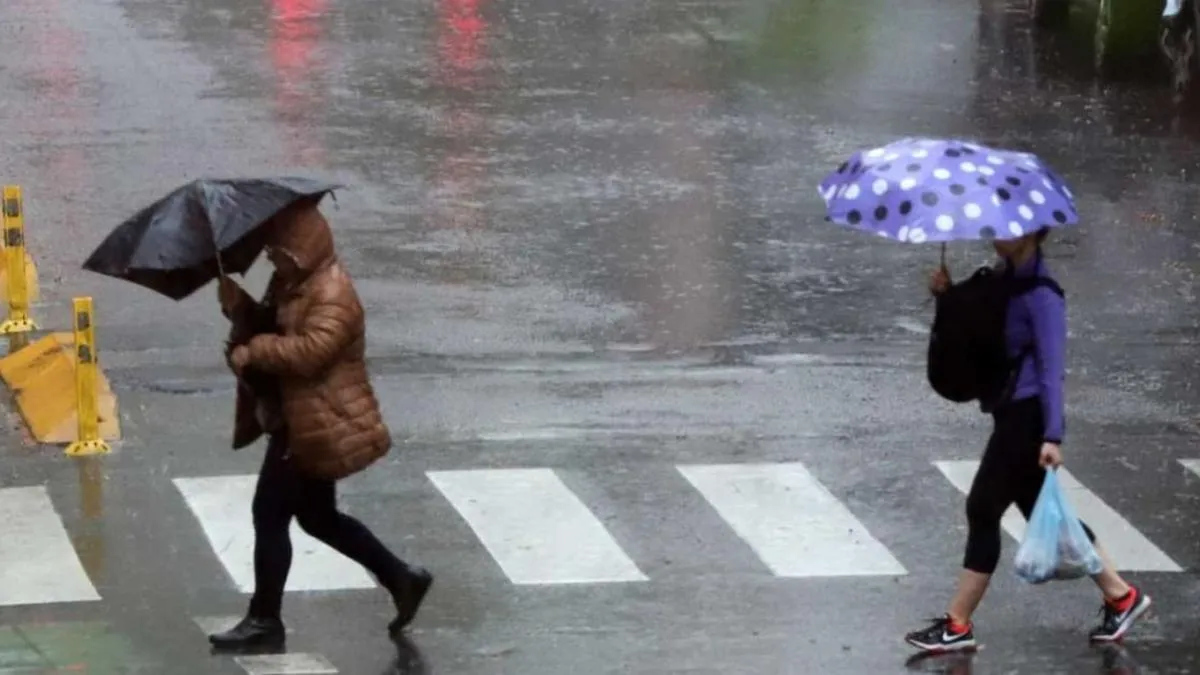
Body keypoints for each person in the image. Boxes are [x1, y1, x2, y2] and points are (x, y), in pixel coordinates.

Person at [905, 227, 1151, 653]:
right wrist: (945, 295)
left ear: (1035, 234)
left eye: (1010, 228)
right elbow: (976, 330)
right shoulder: (1003, 281)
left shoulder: (1043, 295)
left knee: (982, 507)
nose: (998, 233)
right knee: (1043, 511)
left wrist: (1053, 435)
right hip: (1007, 413)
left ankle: (958, 624)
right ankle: (1121, 596)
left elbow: (1053, 372)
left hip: (1028, 418)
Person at [208, 198, 433, 649]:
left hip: (316, 422)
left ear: (301, 249)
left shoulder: (332, 292)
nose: (271, 257)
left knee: (269, 513)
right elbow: (271, 331)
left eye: (279, 251)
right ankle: (401, 577)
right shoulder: (293, 283)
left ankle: (265, 620)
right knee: (316, 517)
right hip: (297, 417)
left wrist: (255, 352)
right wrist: (241, 310)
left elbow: (310, 353)